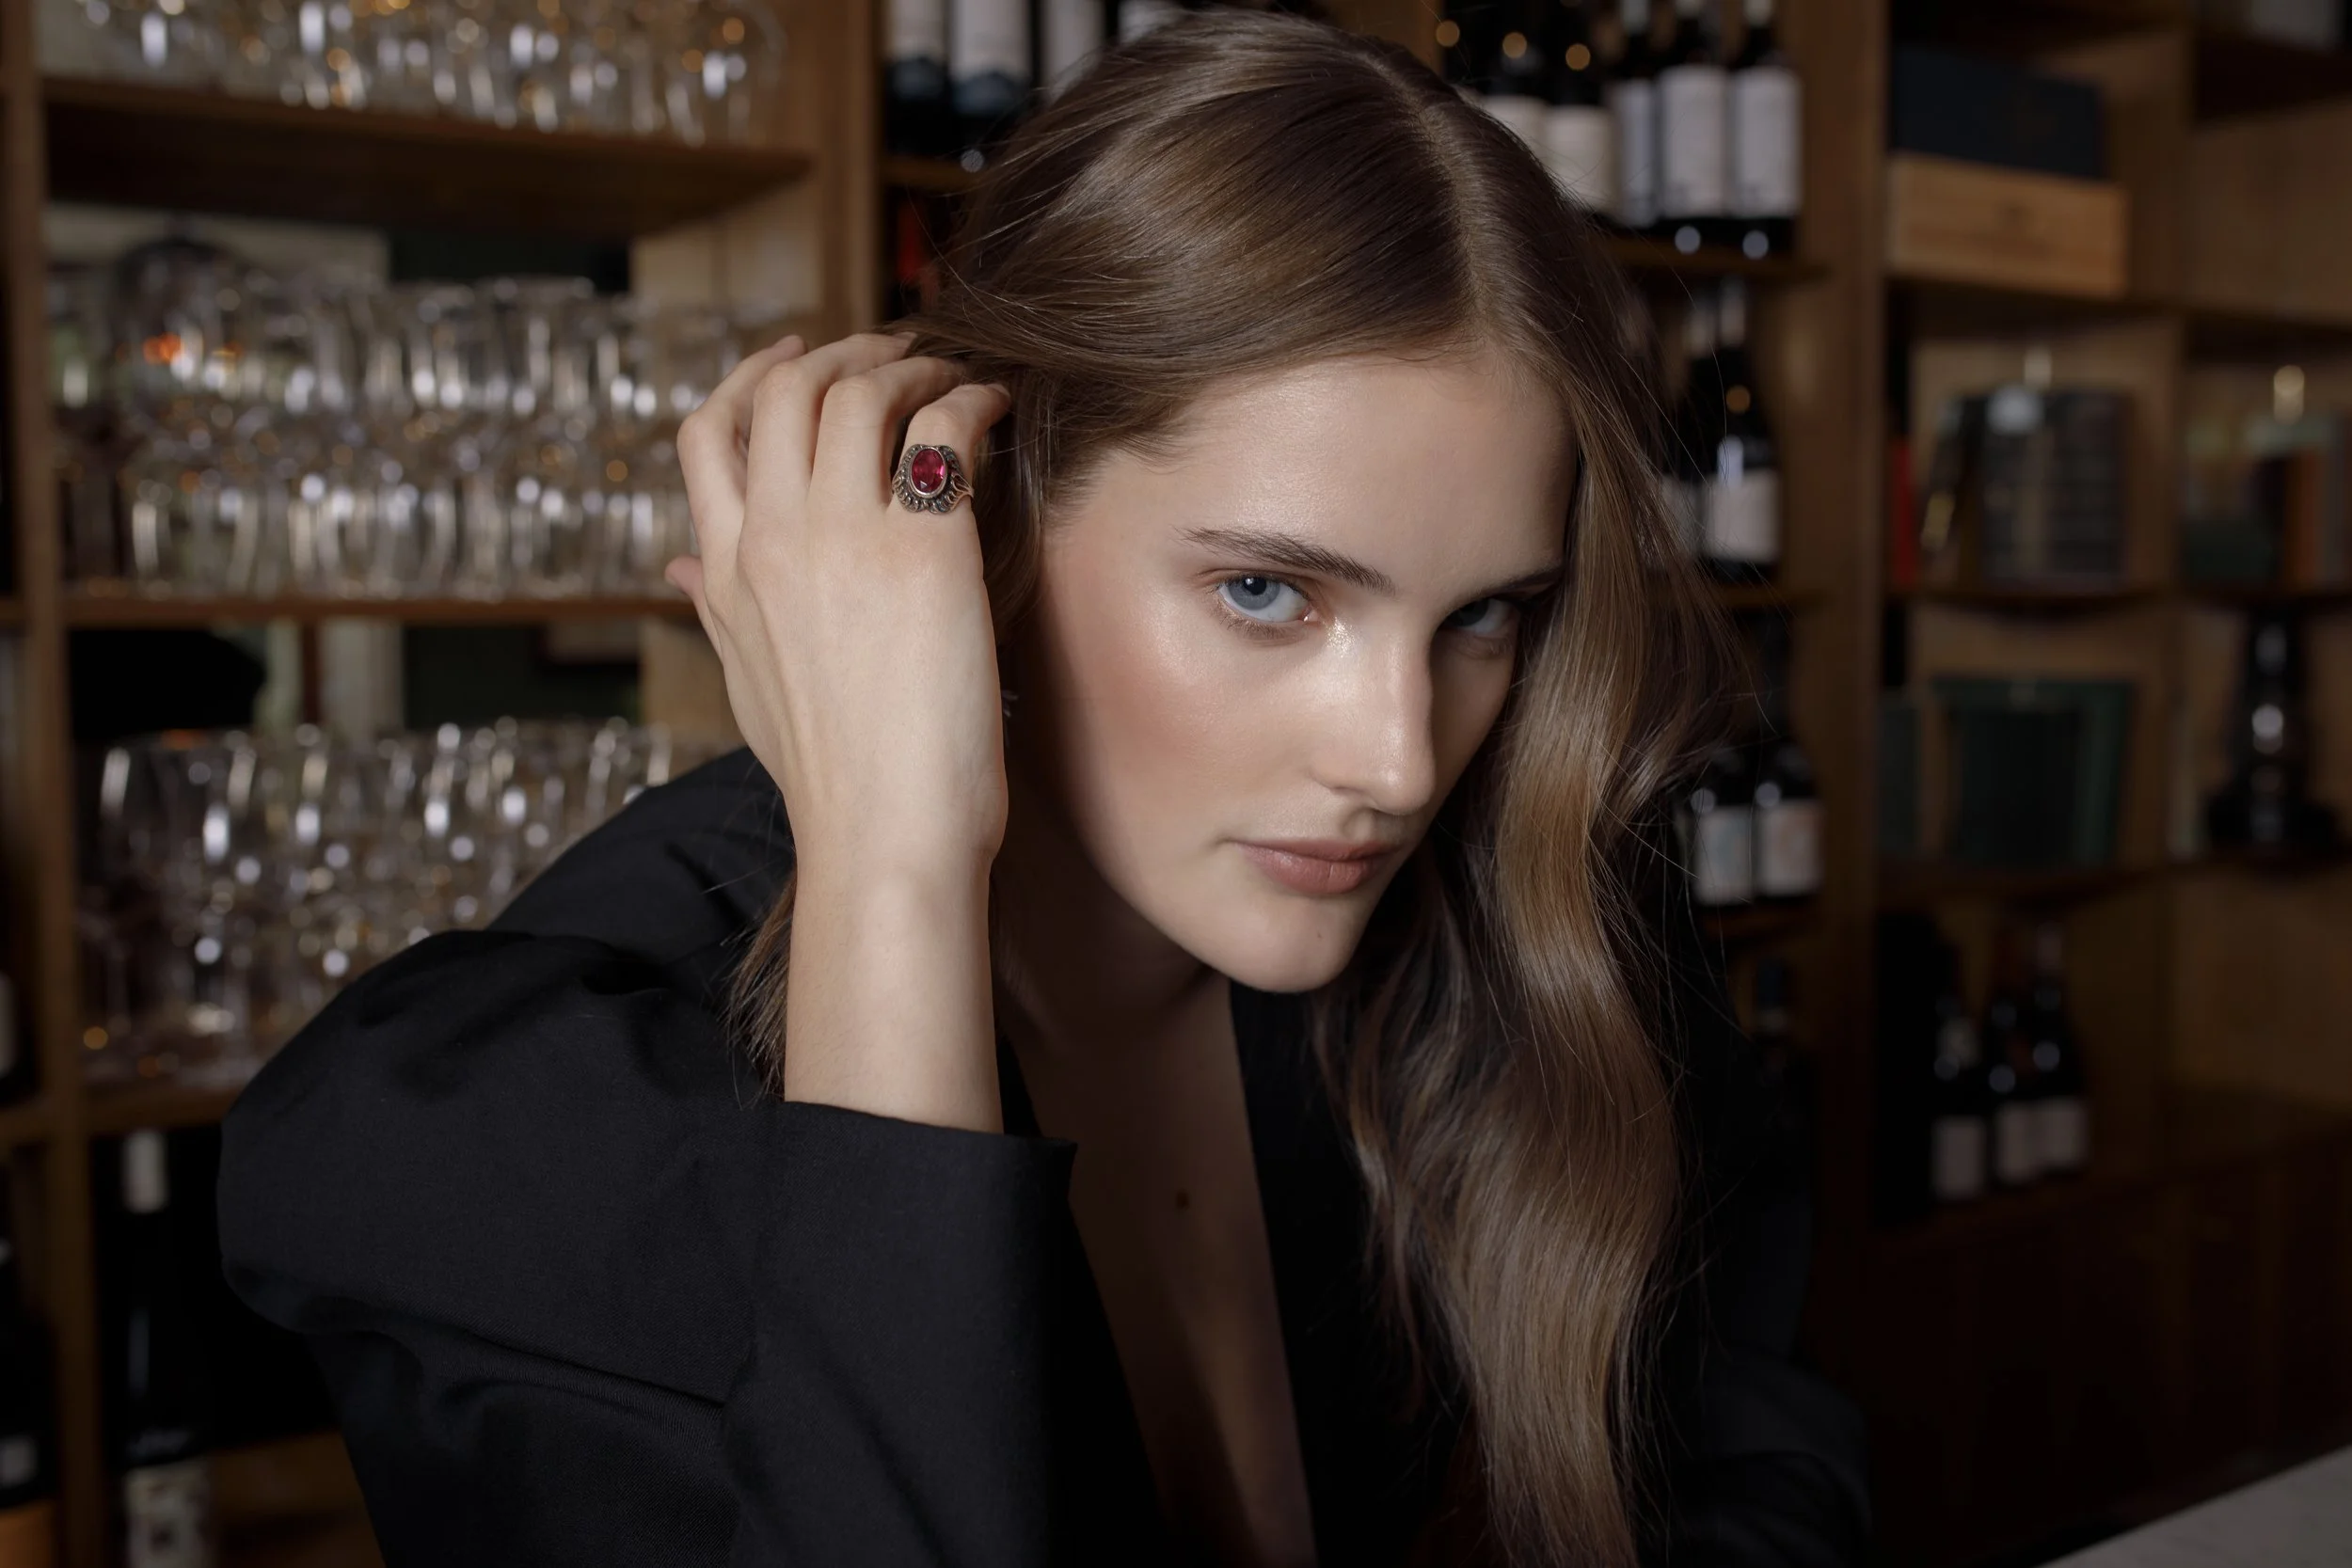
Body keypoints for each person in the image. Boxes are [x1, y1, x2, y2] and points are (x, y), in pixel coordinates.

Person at [219, 12, 1867, 1567]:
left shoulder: (1543, 911)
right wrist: (894, 868)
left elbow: (1759, 1474)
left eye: (1482, 617)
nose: (1400, 760)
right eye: (1266, 593)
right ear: (982, 519)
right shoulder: (517, 1118)